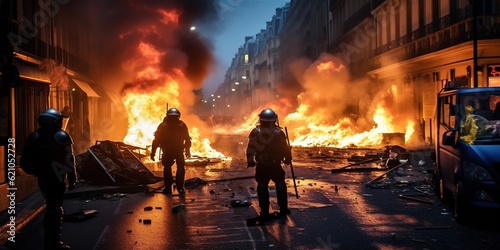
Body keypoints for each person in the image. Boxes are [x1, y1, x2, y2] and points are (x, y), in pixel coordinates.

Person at [20, 108, 76, 250]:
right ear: (54, 120)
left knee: (52, 207)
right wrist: (72, 175)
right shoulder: (61, 136)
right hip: (57, 177)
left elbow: (25, 161)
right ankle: (54, 243)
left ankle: (51, 242)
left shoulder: (34, 136)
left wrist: (36, 171)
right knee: (55, 209)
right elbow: (69, 159)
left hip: (43, 178)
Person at [246, 108, 292, 217]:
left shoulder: (255, 132)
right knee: (280, 184)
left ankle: (264, 211)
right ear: (273, 120)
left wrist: (250, 161)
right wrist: (288, 158)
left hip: (262, 165)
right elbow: (285, 149)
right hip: (275, 164)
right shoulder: (278, 133)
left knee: (262, 186)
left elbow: (250, 148)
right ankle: (283, 208)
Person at [150, 108, 191, 195]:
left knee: (167, 168)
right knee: (180, 167)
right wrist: (187, 151)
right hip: (179, 150)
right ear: (178, 116)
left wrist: (153, 153)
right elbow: (187, 139)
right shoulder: (182, 125)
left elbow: (156, 140)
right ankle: (180, 188)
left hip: (167, 150)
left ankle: (168, 188)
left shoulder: (163, 125)